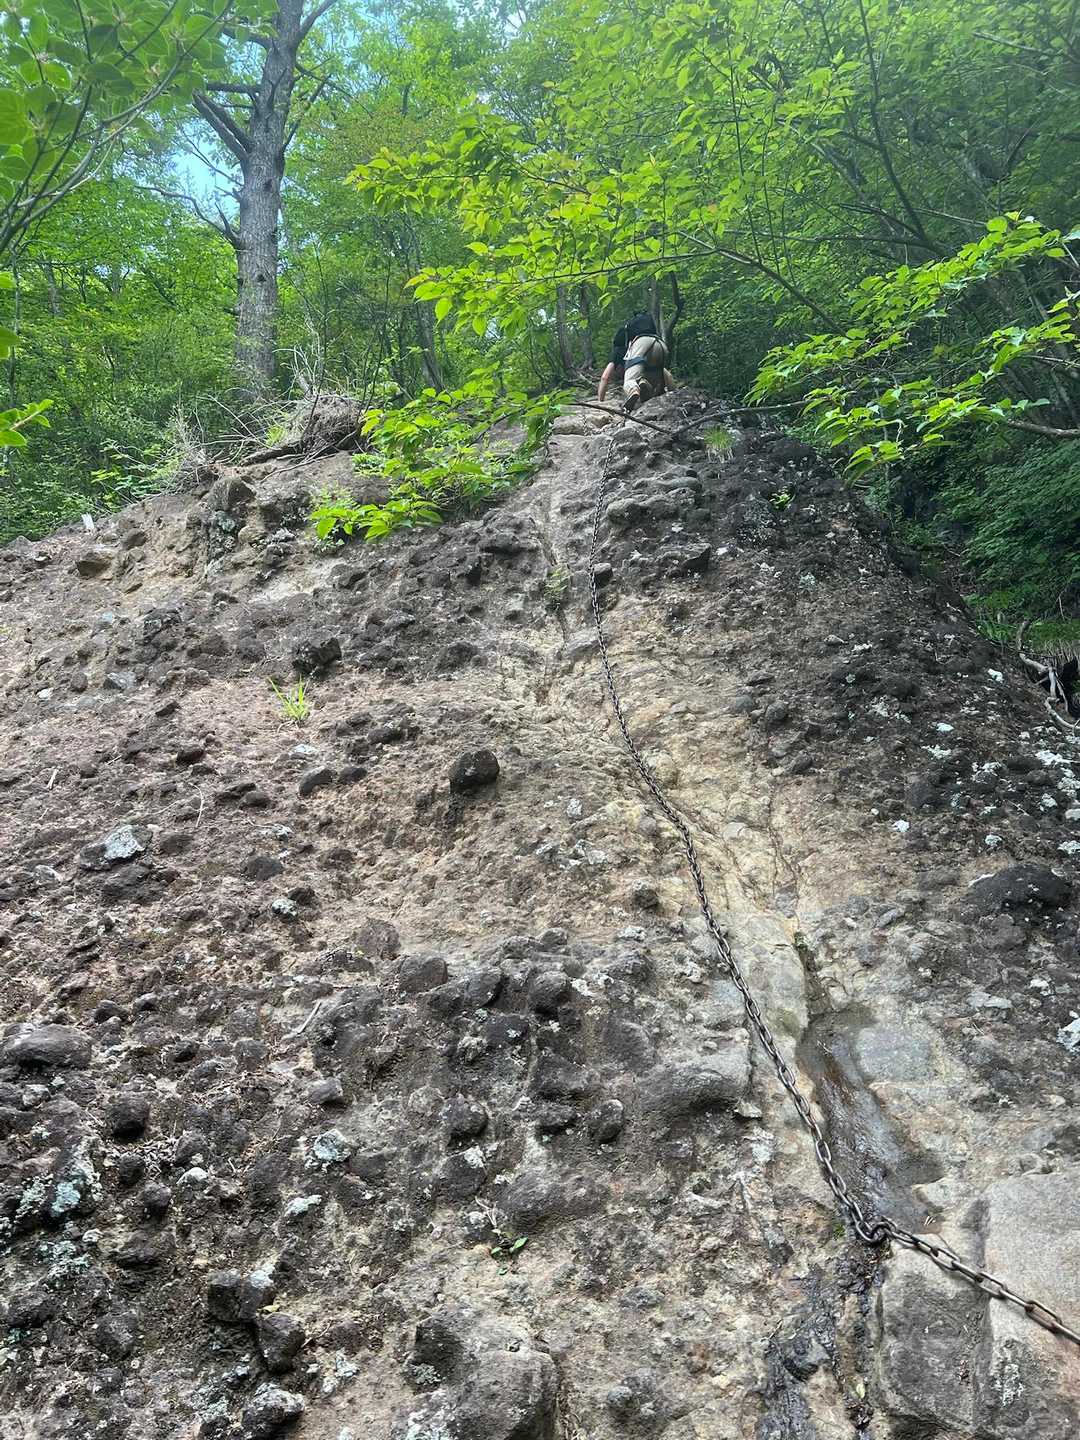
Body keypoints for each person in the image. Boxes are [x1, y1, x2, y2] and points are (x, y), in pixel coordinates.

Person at [597, 310, 675, 412]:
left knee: (630, 381)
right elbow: (666, 375)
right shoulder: (649, 326)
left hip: (642, 343)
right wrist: (673, 391)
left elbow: (605, 377)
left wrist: (600, 402)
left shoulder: (618, 351)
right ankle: (646, 386)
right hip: (660, 344)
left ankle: (633, 389)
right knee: (653, 377)